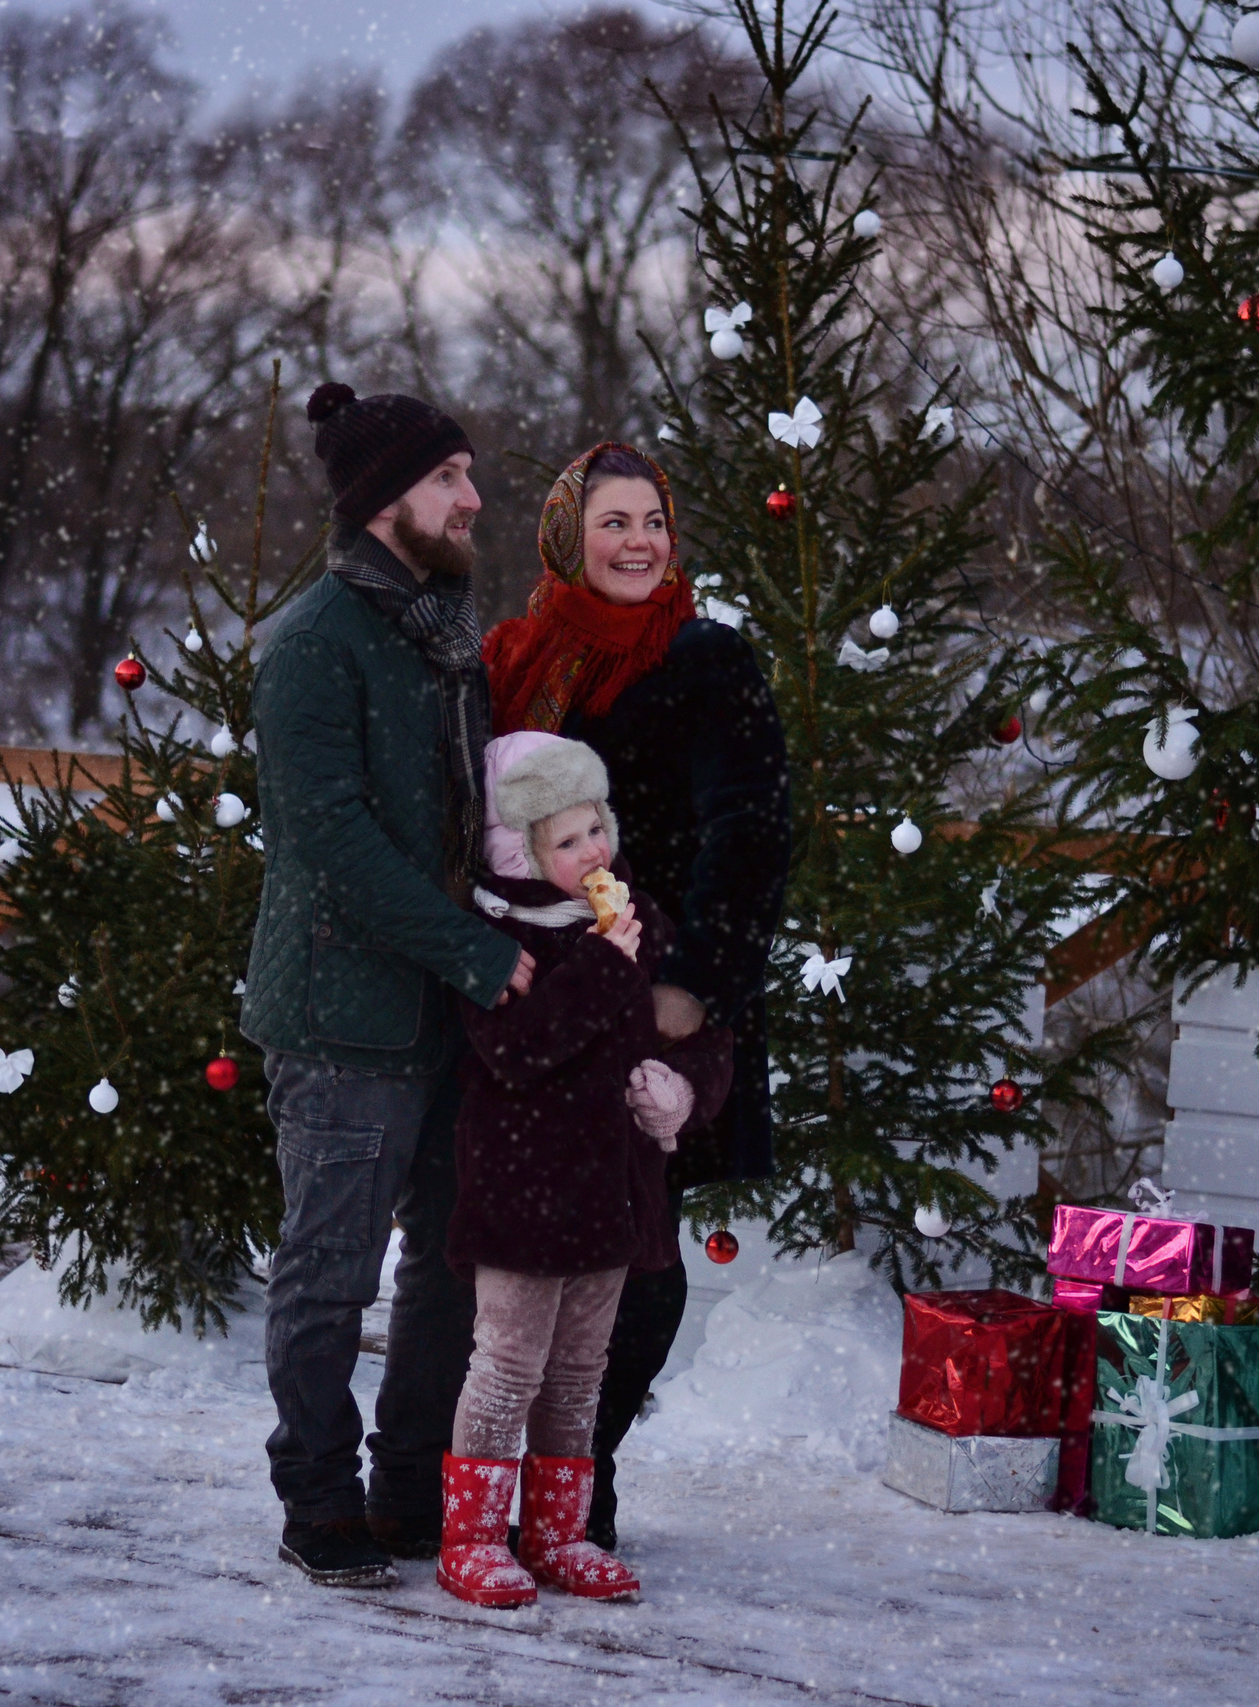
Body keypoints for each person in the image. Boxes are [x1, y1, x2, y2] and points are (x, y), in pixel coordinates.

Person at [242, 382, 536, 1588]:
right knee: (330, 1272)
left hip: (447, 1017)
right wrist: (476, 952)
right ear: (383, 503)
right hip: (343, 1018)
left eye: (468, 477)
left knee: (450, 1269)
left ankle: (411, 1492)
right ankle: (318, 1499)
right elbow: (336, 846)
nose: (473, 499)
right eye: (449, 479)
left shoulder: (442, 629)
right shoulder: (314, 641)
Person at [479, 442, 791, 1549]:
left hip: (657, 995)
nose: (638, 542)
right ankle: (476, 1483)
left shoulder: (705, 659)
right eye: (612, 522)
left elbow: (751, 832)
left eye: (652, 520)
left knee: (640, 1247)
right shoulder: (516, 660)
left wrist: (696, 983)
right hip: (532, 1002)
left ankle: (579, 1479)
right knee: (516, 1246)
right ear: (567, 536)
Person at [434, 732, 732, 1608]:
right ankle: (473, 1534)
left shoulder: (636, 915)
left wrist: (683, 1087)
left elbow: (700, 1025)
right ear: (519, 849)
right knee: (509, 1362)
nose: (593, 853)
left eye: (595, 829)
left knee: (580, 1368)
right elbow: (518, 1052)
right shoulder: (495, 937)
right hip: (525, 1191)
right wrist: (605, 962)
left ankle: (557, 1529)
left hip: (614, 1189)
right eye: (566, 842)